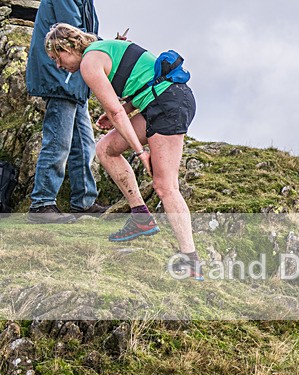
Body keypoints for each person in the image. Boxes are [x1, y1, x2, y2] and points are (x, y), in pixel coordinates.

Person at [44, 23, 202, 279]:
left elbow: (116, 111)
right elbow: (140, 82)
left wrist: (140, 151)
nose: (58, 65)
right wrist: (126, 110)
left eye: (57, 58)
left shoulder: (88, 62)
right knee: (106, 148)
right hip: (162, 100)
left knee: (164, 186)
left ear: (69, 46)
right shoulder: (103, 48)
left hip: (168, 103)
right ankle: (140, 216)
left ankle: (190, 259)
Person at [26, 0, 107, 224]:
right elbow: (72, 33)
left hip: (73, 80)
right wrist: (107, 46)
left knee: (84, 143)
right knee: (59, 142)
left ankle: (84, 201)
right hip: (61, 76)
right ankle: (41, 204)